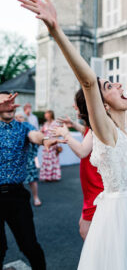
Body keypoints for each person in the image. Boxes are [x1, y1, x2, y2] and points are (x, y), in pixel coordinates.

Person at [19, 0, 127, 269]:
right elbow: (89, 83)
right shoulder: (105, 131)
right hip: (117, 218)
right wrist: (56, 31)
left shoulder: (124, 125)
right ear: (103, 107)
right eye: (110, 86)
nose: (119, 86)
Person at [0, 91, 62, 270]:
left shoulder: (23, 127)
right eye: (5, 101)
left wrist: (46, 140)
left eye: (12, 102)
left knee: (29, 245)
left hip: (17, 196)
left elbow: (35, 136)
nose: (10, 105)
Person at [52, 89, 104, 240]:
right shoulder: (94, 124)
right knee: (86, 226)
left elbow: (82, 151)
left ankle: (98, 261)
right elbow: (88, 133)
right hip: (91, 187)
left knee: (85, 230)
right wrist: (73, 124)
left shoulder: (96, 125)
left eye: (76, 103)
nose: (74, 107)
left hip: (96, 187)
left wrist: (65, 134)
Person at [15, 111, 42, 207]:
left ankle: (35, 197)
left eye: (21, 117)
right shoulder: (12, 129)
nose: (18, 119)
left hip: (29, 158)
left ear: (25, 118)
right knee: (16, 182)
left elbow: (36, 138)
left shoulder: (29, 127)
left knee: (32, 180)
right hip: (17, 160)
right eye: (17, 117)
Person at [39, 110, 62, 182]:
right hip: (46, 144)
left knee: (54, 160)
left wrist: (59, 145)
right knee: (46, 160)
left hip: (54, 144)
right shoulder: (45, 124)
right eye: (45, 114)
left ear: (50, 115)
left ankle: (54, 176)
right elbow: (42, 134)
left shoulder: (55, 124)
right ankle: (47, 177)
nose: (45, 115)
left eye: (47, 114)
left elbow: (59, 134)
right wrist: (44, 140)